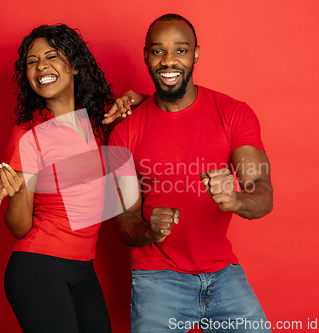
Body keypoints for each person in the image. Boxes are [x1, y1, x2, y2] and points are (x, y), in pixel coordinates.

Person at [107, 14, 274, 333]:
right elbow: (123, 220)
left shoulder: (234, 114)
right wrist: (148, 230)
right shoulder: (124, 132)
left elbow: (263, 196)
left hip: (224, 273)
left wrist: (236, 200)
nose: (168, 60)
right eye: (158, 51)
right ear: (146, 56)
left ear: (196, 53)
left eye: (180, 50)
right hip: (157, 277)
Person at [0, 24, 129, 333]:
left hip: (83, 268)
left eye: (51, 56)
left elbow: (157, 107)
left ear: (75, 66)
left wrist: (136, 98)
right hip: (39, 268)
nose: (41, 66)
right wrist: (20, 192)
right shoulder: (29, 136)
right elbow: (19, 228)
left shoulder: (99, 124)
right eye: (32, 61)